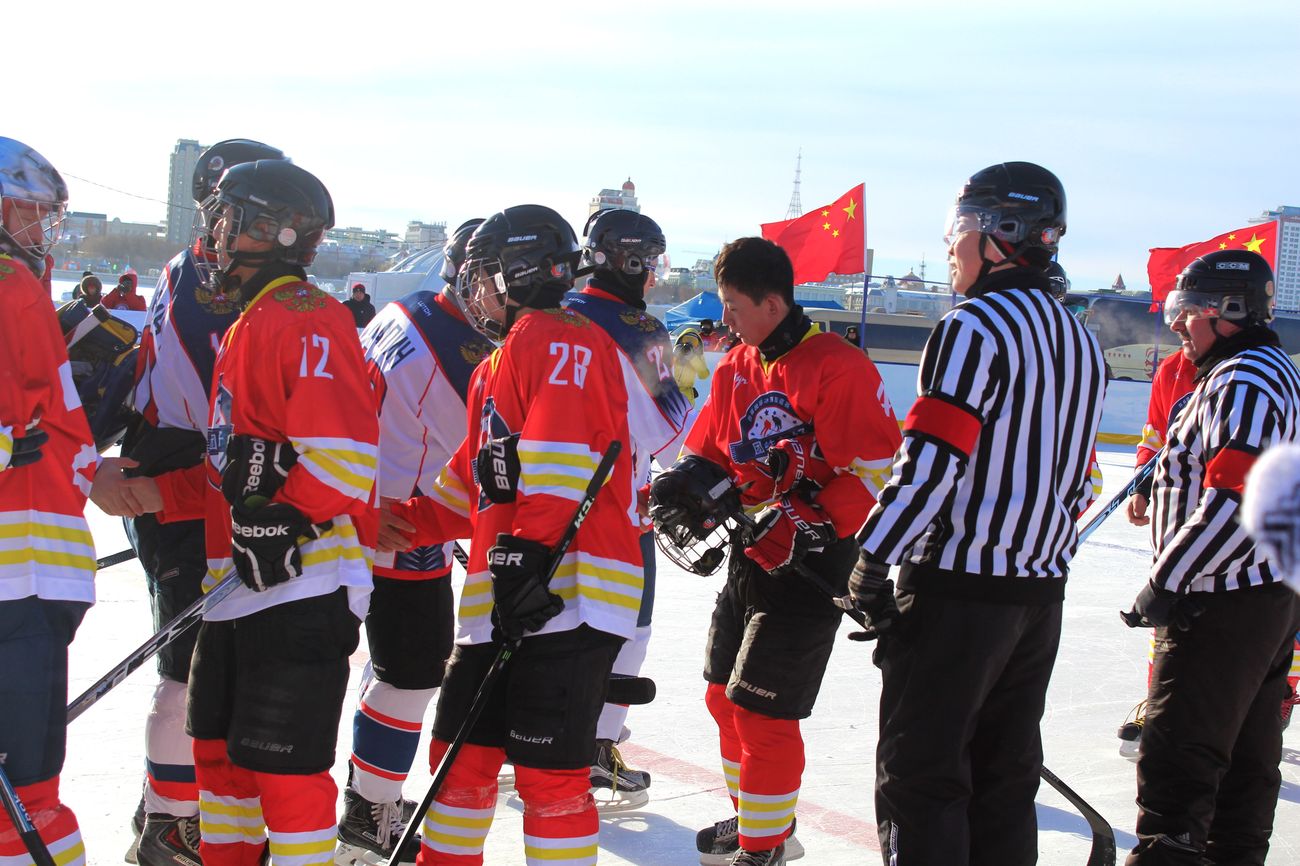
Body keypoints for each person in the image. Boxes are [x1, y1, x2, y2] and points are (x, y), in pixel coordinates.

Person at [110, 159, 378, 866]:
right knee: (220, 774)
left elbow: (346, 459)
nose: (213, 234)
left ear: (268, 231)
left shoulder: (307, 317)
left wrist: (284, 520)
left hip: (300, 587)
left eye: (226, 220)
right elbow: (232, 474)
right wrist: (160, 494)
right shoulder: (247, 325)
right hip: (233, 591)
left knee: (286, 780)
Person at [853, 162, 1105, 865]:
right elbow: (1078, 480)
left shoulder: (974, 326)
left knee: (922, 775)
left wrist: (873, 558)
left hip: (959, 591)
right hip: (1039, 595)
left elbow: (931, 462)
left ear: (1002, 234)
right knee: (1005, 777)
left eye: (961, 227)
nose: (950, 244)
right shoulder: (1080, 340)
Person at [377, 204, 640, 866]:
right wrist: (392, 524)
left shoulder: (563, 338)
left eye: (483, 275)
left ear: (513, 274)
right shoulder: (498, 363)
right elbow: (473, 485)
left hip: (567, 596)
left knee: (550, 781)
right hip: (510, 598)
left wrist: (526, 560)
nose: (474, 290)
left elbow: (562, 460)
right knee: (458, 764)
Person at [651, 236, 902, 866]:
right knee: (721, 696)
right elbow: (709, 450)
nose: (725, 317)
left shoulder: (838, 365)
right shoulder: (737, 365)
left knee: (761, 712)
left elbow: (876, 471)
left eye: (733, 305)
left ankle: (762, 849)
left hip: (815, 562)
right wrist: (686, 484)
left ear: (772, 303)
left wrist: (804, 518)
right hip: (751, 552)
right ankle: (762, 823)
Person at [89, 138, 287, 866]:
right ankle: (171, 823)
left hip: (180, 471)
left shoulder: (195, 269)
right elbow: (228, 409)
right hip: (185, 479)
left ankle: (169, 807)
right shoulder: (210, 281)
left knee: (206, 658)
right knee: (191, 663)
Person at [1120, 249, 1300, 865]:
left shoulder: (1241, 380)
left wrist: (1166, 580)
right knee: (1246, 762)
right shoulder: (1269, 371)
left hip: (1220, 601)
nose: (1176, 322)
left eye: (1188, 309)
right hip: (1264, 595)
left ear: (1230, 312)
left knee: (1179, 761)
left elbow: (1233, 495)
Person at [334, 218, 493, 865]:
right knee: (412, 672)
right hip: (402, 520)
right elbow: (498, 450)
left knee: (387, 667)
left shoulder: (408, 307)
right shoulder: (459, 348)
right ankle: (369, 809)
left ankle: (368, 795)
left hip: (361, 503)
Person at [565, 208, 690, 810]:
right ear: (631, 259)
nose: (654, 274)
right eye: (651, 261)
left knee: (545, 627)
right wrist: (687, 374)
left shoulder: (548, 313)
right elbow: (671, 436)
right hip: (616, 508)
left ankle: (529, 734)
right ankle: (594, 745)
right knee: (628, 632)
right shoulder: (641, 328)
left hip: (539, 502)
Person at [0, 137, 97, 866]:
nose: (42, 229)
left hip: (31, 575)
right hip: (22, 579)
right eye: (30, 211)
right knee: (27, 800)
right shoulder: (11, 286)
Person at [1116, 347, 1197, 757]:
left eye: (1190, 315)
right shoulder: (1173, 368)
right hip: (1176, 518)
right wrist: (1142, 486)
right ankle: (1159, 702)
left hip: (1238, 524)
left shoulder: (1254, 370)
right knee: (1166, 609)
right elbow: (1155, 435)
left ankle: (1276, 695)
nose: (1179, 321)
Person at [673, 326, 710, 404]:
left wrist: (692, 358)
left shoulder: (697, 357)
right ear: (680, 340)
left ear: (697, 344)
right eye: (686, 339)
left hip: (687, 396)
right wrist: (674, 354)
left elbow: (704, 375)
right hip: (671, 392)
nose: (689, 343)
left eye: (694, 341)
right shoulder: (675, 351)